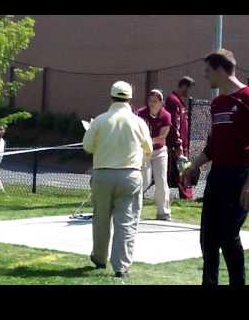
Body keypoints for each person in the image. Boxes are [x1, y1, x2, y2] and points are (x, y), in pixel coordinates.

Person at [182, 49, 249, 286]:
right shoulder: (217, 103)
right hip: (217, 176)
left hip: (239, 177)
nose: (205, 76)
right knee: (208, 237)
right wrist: (192, 166)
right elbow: (213, 147)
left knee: (228, 237)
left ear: (220, 70)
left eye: (208, 71)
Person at [83, 81, 153, 278]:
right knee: (127, 221)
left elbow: (87, 146)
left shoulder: (99, 120)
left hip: (102, 174)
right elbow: (149, 148)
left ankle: (99, 257)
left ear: (111, 97)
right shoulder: (138, 122)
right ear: (130, 99)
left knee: (101, 219)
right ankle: (121, 266)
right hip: (129, 175)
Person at [135, 89, 172, 221]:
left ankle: (163, 212)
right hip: (144, 151)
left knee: (161, 181)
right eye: (150, 101)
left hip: (159, 152)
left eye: (155, 101)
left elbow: (162, 137)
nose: (152, 104)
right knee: (144, 181)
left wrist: (149, 140)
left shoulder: (166, 115)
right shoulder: (140, 114)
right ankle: (135, 211)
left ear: (161, 103)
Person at [165, 76, 195, 200]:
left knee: (183, 169)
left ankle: (187, 196)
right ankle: (186, 196)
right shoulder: (173, 101)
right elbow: (174, 125)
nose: (189, 92)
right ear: (184, 86)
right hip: (177, 145)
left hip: (183, 144)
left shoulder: (179, 102)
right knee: (182, 169)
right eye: (189, 88)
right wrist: (178, 145)